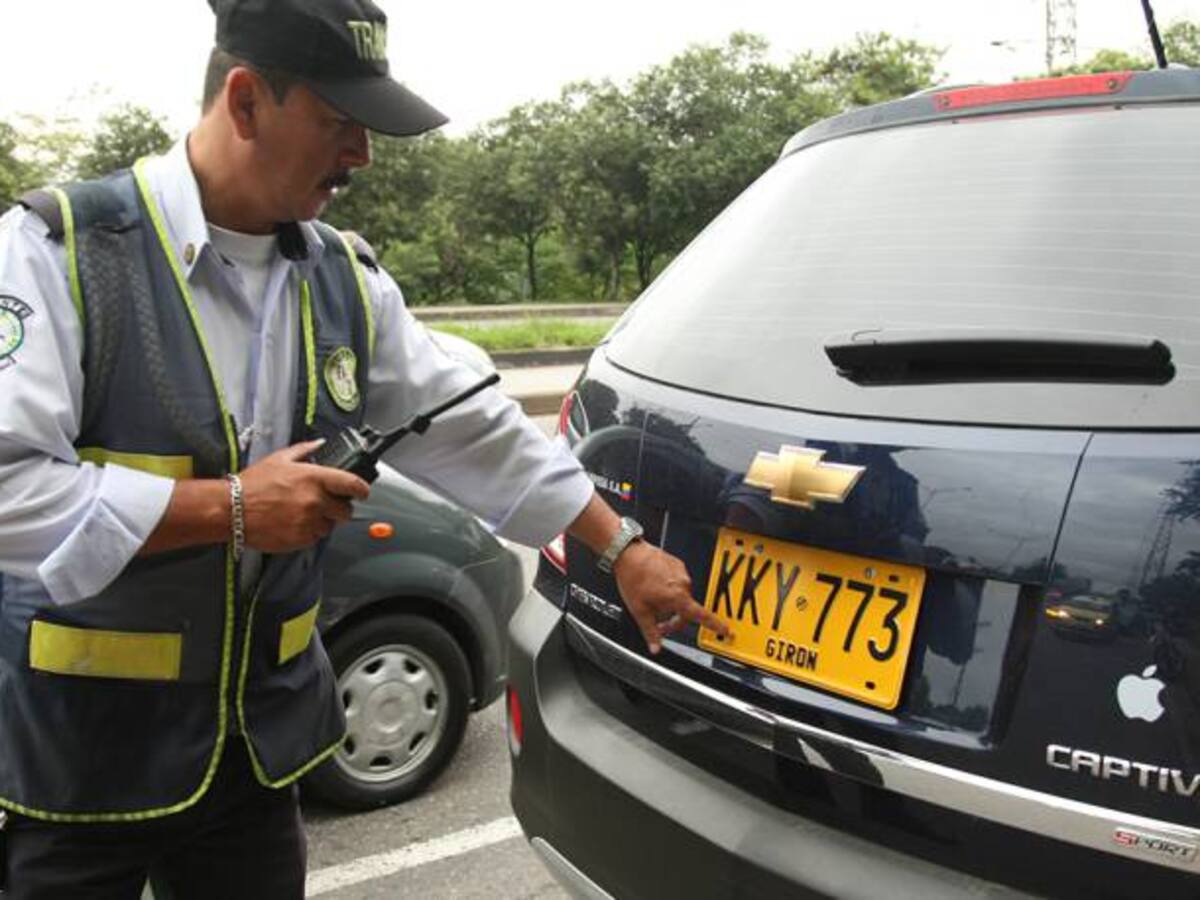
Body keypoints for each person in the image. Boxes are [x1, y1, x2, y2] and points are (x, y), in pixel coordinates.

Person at [0, 1, 729, 897]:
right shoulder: (57, 253)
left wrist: (618, 548)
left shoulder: (340, 278)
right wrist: (230, 510)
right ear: (244, 101)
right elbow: (9, 490)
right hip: (79, 767)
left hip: (258, 765)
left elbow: (473, 429)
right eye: (341, 122)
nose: (363, 155)